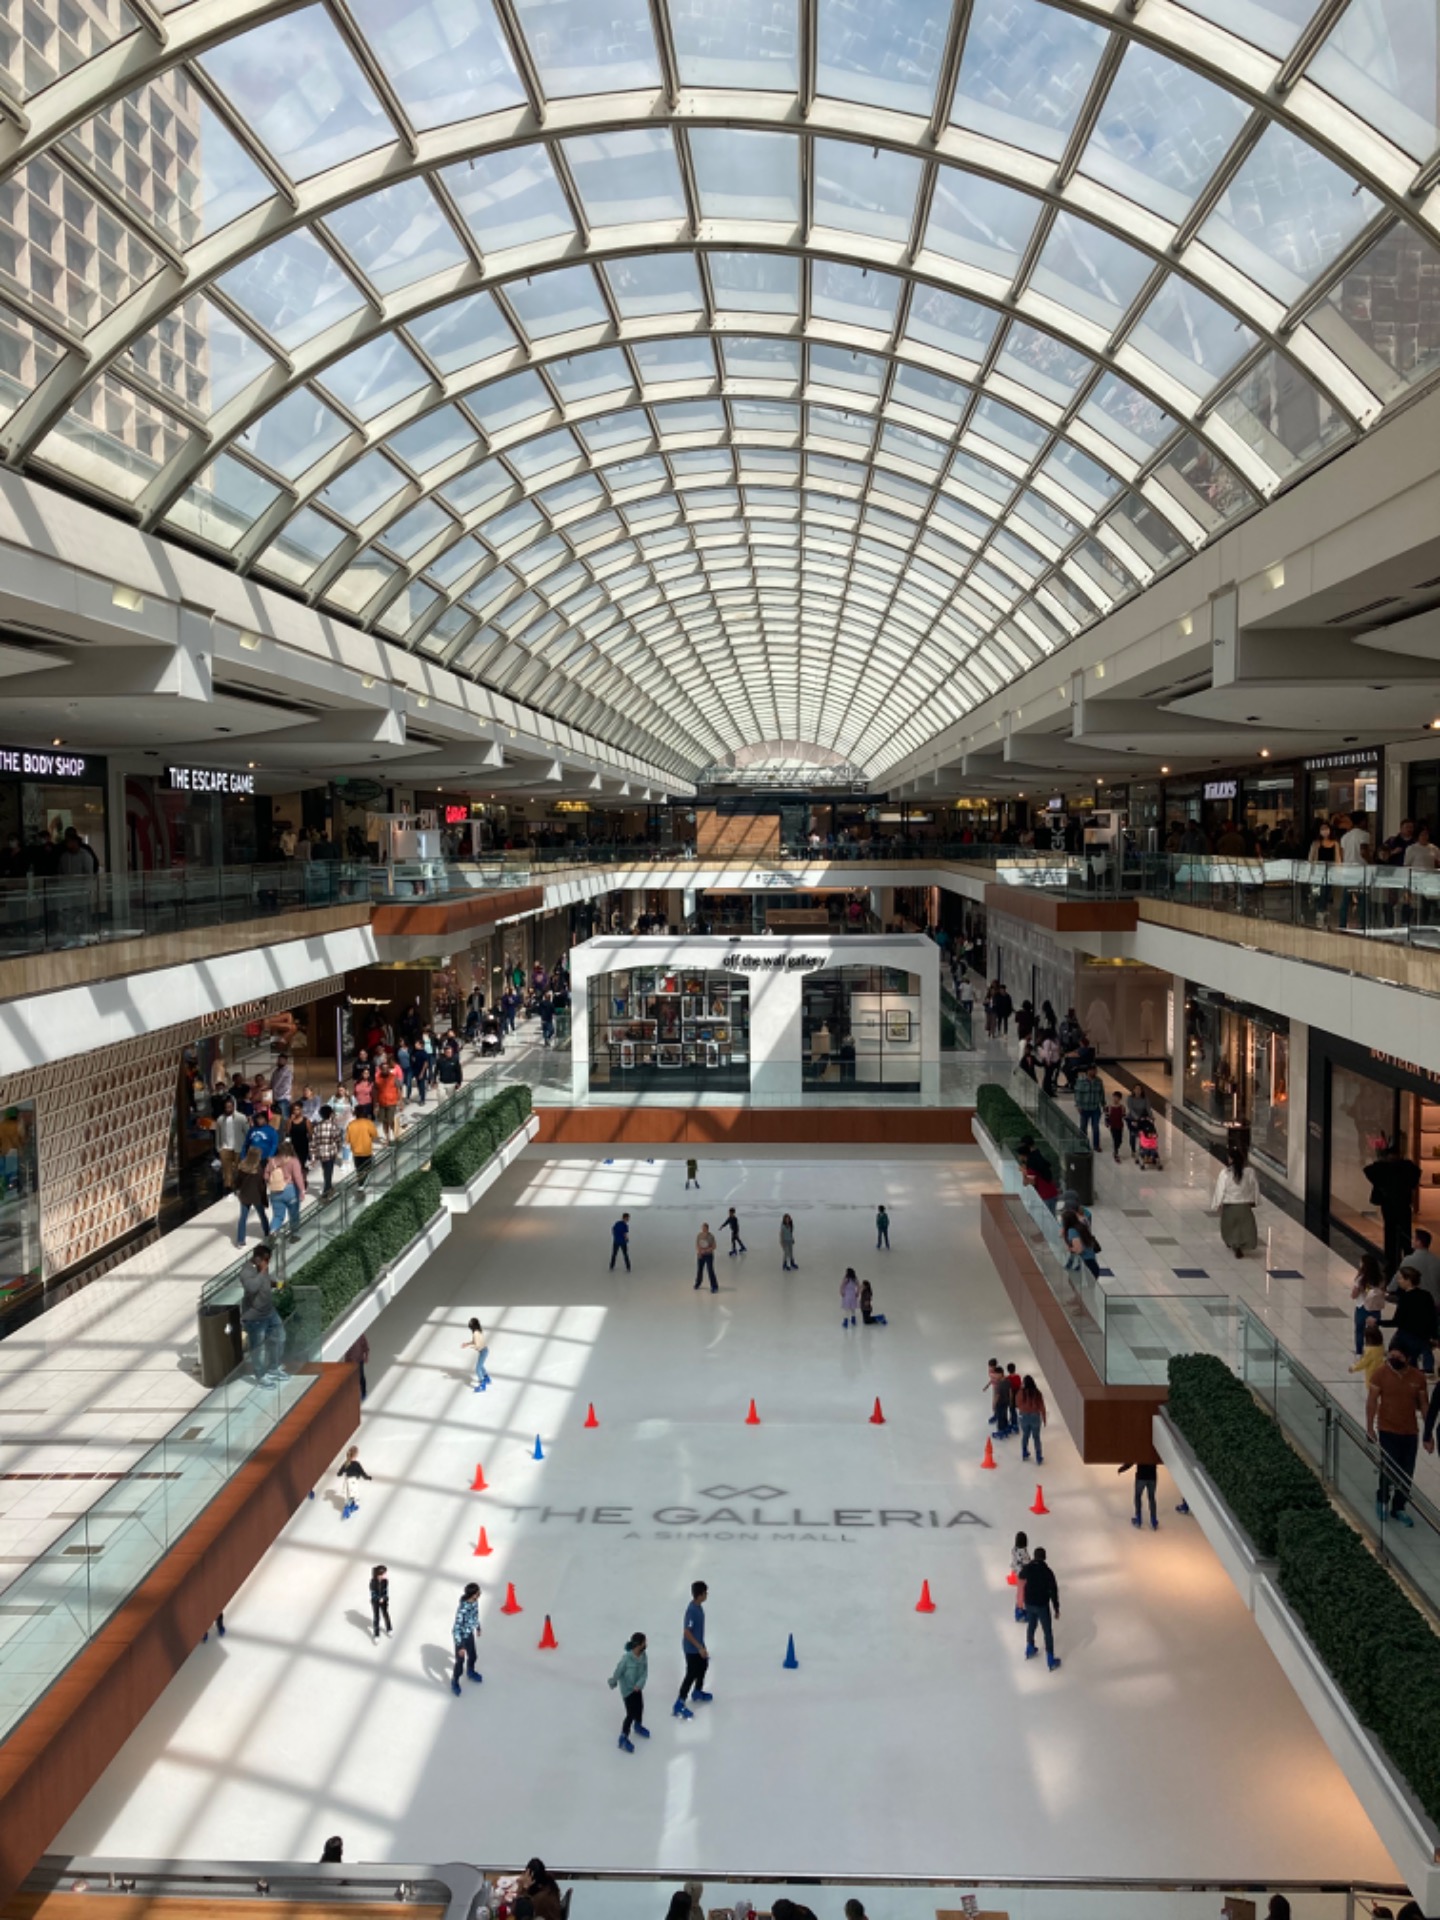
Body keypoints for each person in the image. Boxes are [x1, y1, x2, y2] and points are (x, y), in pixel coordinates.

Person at [1366, 1343, 1428, 1525]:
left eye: (1399, 1357)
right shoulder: (1381, 1374)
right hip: (1387, 1430)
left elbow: (1424, 1404)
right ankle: (1382, 1499)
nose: (1394, 1360)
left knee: (1407, 1472)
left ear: (1408, 1358)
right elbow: (1371, 1402)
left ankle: (1399, 1507)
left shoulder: (1418, 1377)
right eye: (1391, 1356)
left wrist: (1428, 1433)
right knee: (1388, 1468)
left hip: (1410, 1432)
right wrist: (1370, 1428)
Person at [1365, 1141, 1421, 1271]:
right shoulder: (1407, 1167)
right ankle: (1406, 1257)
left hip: (1389, 1205)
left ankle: (1392, 1259)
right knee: (1404, 1232)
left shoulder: (1384, 1168)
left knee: (1391, 1231)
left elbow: (1369, 1171)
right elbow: (1415, 1178)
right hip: (1402, 1205)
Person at [240, 1245, 285, 1385]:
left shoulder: (262, 1268)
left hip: (269, 1312)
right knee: (258, 1348)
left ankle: (274, 1367)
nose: (269, 1263)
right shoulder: (246, 1271)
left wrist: (277, 1284)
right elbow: (252, 1287)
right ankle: (260, 1375)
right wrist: (262, 1271)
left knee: (280, 1337)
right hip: (255, 1317)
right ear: (258, 1259)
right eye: (267, 1260)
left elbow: (265, 1282)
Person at [1383, 1266, 1437, 1374]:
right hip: (1422, 1335)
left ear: (1408, 1280)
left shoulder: (1405, 1298)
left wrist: (1379, 1322)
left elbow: (1397, 1321)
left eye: (1400, 1278)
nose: (1398, 1281)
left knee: (1397, 1350)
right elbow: (1433, 1316)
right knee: (1418, 1354)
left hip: (1407, 1334)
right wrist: (1434, 1335)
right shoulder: (1426, 1295)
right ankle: (1426, 1370)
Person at [1211, 1146, 1259, 1257]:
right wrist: (1254, 1200)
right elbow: (1254, 1187)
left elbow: (1220, 1189)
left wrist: (1217, 1204)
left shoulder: (1225, 1173)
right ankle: (1241, 1245)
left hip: (1230, 1206)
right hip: (1244, 1206)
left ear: (1231, 1159)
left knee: (1231, 1226)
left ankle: (1234, 1244)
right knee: (1244, 1227)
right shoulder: (1250, 1172)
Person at [673, 1578, 711, 1717]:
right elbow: (687, 1632)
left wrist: (703, 1646)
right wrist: (699, 1647)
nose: (707, 1595)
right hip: (691, 1649)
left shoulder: (699, 1607)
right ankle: (679, 1703)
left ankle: (697, 1691)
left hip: (699, 1646)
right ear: (700, 1594)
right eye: (705, 1593)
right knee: (691, 1674)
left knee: (703, 1666)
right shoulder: (692, 1611)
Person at [608, 1630, 650, 1753]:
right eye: (644, 1642)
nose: (646, 1644)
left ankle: (638, 1725)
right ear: (639, 1644)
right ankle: (623, 1737)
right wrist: (613, 1681)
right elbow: (618, 1671)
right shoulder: (626, 1659)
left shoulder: (643, 1656)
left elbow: (644, 1672)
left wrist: (639, 1684)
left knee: (640, 1707)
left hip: (637, 1688)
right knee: (630, 1712)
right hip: (627, 1690)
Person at [1021, 1546, 1061, 1670]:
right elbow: (1053, 1590)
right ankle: (1050, 1659)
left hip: (1029, 1603)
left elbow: (1021, 1576)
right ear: (1044, 1557)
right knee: (1047, 1631)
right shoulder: (1047, 1572)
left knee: (1031, 1625)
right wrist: (1056, 1607)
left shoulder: (1028, 1568)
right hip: (1042, 1605)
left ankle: (1030, 1647)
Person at [1350, 1253, 1387, 1355]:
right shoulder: (1380, 1278)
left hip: (1362, 1306)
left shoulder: (1361, 1279)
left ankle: (1359, 1352)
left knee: (1359, 1330)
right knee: (1374, 1330)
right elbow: (1382, 1292)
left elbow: (1354, 1294)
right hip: (1375, 1308)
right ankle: (1374, 1350)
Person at [234, 1147, 271, 1247]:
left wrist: (237, 1191)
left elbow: (238, 1182)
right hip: (256, 1197)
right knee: (262, 1215)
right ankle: (267, 1233)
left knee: (243, 1218)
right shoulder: (258, 1170)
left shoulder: (242, 1167)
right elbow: (261, 1186)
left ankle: (240, 1240)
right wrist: (265, 1199)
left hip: (244, 1196)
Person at [451, 1581, 482, 1694]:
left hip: (469, 1634)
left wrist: (477, 1627)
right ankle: (455, 1680)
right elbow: (456, 1629)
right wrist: (460, 1646)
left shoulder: (475, 1602)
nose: (479, 1596)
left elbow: (475, 1616)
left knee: (473, 1655)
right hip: (461, 1638)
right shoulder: (462, 1610)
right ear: (472, 1594)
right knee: (460, 1662)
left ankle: (470, 1671)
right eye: (478, 1594)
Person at [1400, 1226, 1440, 1303]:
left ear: (1418, 1242)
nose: (1411, 1240)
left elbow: (1394, 1285)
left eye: (1413, 1238)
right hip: (1436, 1303)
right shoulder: (1437, 1261)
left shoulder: (1408, 1260)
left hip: (1416, 1303)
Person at [215, 1098, 248, 1191]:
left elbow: (247, 1132)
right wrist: (218, 1148)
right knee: (226, 1170)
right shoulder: (220, 1120)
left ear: (233, 1106)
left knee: (238, 1169)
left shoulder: (241, 1118)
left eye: (230, 1107)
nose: (228, 1109)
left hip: (238, 1147)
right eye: (226, 1107)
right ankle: (228, 1188)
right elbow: (218, 1135)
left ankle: (238, 1186)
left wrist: (246, 1146)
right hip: (225, 1147)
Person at [311, 1104, 342, 1198]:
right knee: (329, 1171)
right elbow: (338, 1139)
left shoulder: (317, 1127)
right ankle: (326, 1191)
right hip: (330, 1152)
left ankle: (329, 1188)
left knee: (326, 1170)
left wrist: (313, 1156)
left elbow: (313, 1142)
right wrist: (338, 1149)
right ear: (330, 1114)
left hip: (321, 1152)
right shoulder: (333, 1126)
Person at [1015, 1374, 1046, 1463]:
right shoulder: (1037, 1393)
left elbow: (1017, 1404)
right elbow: (1042, 1406)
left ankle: (1024, 1452)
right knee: (1036, 1437)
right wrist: (1044, 1418)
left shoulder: (1021, 1393)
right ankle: (1038, 1456)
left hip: (1024, 1416)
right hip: (1035, 1417)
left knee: (1025, 1435)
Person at [1120, 1460, 1159, 1529]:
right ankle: (1153, 1520)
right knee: (1151, 1497)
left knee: (1138, 1496)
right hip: (1152, 1476)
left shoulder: (1141, 1450)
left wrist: (1123, 1468)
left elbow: (1132, 1460)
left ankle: (1138, 1519)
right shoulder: (1153, 1451)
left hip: (1141, 1476)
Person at [346, 1107, 378, 1188]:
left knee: (359, 1170)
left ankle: (360, 1185)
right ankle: (365, 1184)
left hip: (356, 1152)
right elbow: (374, 1135)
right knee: (367, 1169)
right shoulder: (368, 1123)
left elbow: (347, 1140)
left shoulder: (351, 1125)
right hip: (367, 1151)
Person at [1350, 1321, 1387, 1388]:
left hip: (1372, 1375)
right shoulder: (1381, 1347)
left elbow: (1364, 1362)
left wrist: (1353, 1368)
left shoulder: (1369, 1350)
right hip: (1382, 1373)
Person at [338, 1445, 371, 1519]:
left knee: (348, 1493)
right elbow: (362, 1473)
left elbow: (340, 1472)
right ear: (356, 1455)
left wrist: (339, 1474)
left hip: (347, 1481)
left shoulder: (346, 1463)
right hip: (353, 1481)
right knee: (353, 1495)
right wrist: (367, 1477)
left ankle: (349, 1506)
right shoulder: (356, 1464)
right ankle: (348, 1508)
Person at [1123, 1087, 1151, 1161]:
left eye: (1139, 1089)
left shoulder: (1145, 1098)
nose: (1138, 1091)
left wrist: (1151, 1116)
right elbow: (1131, 1109)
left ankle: (1142, 1149)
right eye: (1136, 1089)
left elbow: (1148, 1108)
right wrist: (1136, 1118)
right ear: (1133, 1090)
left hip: (1142, 1118)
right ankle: (1133, 1150)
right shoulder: (1130, 1098)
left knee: (1143, 1134)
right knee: (1133, 1134)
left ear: (1142, 1091)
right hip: (1132, 1119)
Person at [463, 1316, 490, 1391]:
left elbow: (477, 1345)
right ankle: (487, 1378)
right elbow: (474, 1341)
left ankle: (482, 1385)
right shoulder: (478, 1331)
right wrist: (467, 1344)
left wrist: (470, 1346)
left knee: (478, 1368)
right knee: (481, 1365)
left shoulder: (475, 1333)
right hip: (484, 1350)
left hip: (483, 1351)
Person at [1010, 1529, 1031, 1622]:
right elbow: (1027, 1562)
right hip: (1023, 1574)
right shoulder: (1023, 1552)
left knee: (1020, 1591)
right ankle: (1020, 1611)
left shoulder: (1014, 1549)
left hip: (1018, 1572)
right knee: (1022, 1592)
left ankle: (1019, 1608)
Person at [345, 1330, 370, 1400]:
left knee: (361, 1376)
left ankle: (363, 1393)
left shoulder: (360, 1336)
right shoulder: (347, 1337)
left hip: (359, 1360)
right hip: (350, 1361)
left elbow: (366, 1347)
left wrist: (366, 1356)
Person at [1102, 1091, 1126, 1163]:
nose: (1115, 1099)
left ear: (1120, 1099)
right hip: (1113, 1126)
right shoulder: (1109, 1107)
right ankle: (1116, 1153)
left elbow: (1124, 1116)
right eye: (1114, 1097)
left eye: (1117, 1098)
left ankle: (1116, 1149)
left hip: (1120, 1125)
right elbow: (1107, 1116)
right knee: (1115, 1139)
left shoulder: (1122, 1107)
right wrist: (1107, 1122)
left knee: (1120, 1140)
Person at [370, 1565, 392, 1641]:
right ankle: (376, 1634)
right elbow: (373, 1593)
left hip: (384, 1601)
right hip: (375, 1602)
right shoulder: (373, 1582)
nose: (386, 1575)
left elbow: (386, 1591)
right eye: (384, 1573)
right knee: (376, 1617)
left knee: (385, 1614)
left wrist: (384, 1597)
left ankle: (389, 1628)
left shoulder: (385, 1581)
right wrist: (378, 1598)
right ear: (379, 1575)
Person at [694, 1223, 717, 1293]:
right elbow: (697, 1244)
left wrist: (707, 1250)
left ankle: (714, 1286)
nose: (703, 1229)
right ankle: (698, 1283)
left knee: (710, 1270)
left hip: (709, 1256)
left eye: (705, 1228)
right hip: (701, 1255)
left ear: (707, 1229)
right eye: (702, 1228)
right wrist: (699, 1252)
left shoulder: (711, 1236)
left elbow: (714, 1246)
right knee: (699, 1270)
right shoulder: (699, 1235)